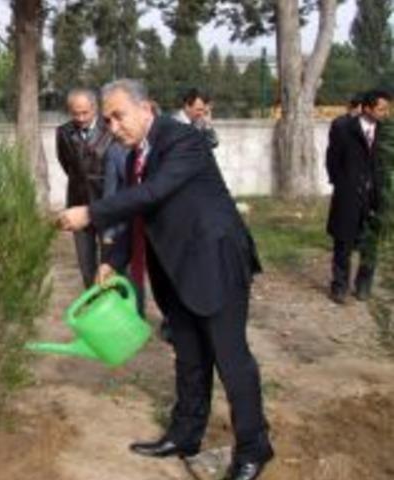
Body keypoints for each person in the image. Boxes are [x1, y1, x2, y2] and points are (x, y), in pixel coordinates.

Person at [58, 79, 273, 480]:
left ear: (147, 108)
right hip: (176, 267)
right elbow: (140, 212)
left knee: (232, 360)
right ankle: (185, 434)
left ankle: (254, 447)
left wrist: (90, 214)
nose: (113, 127)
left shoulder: (183, 141)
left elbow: (154, 193)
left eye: (118, 116)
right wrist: (114, 261)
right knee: (189, 356)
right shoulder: (136, 153)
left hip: (215, 262)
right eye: (107, 120)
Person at [325, 89, 391, 304]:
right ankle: (340, 286)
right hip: (349, 194)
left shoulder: (387, 132)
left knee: (370, 242)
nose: (385, 113)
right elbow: (332, 160)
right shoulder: (344, 128)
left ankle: (363, 285)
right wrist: (343, 184)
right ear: (367, 108)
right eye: (381, 109)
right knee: (343, 242)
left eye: (387, 108)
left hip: (375, 196)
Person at [56, 89, 114, 287]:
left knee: (110, 262)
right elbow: (68, 165)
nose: (80, 118)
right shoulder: (63, 133)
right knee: (86, 265)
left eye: (85, 113)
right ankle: (92, 306)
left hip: (108, 205)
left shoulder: (111, 129)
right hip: (77, 204)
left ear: (94, 108)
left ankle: (114, 306)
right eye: (75, 113)